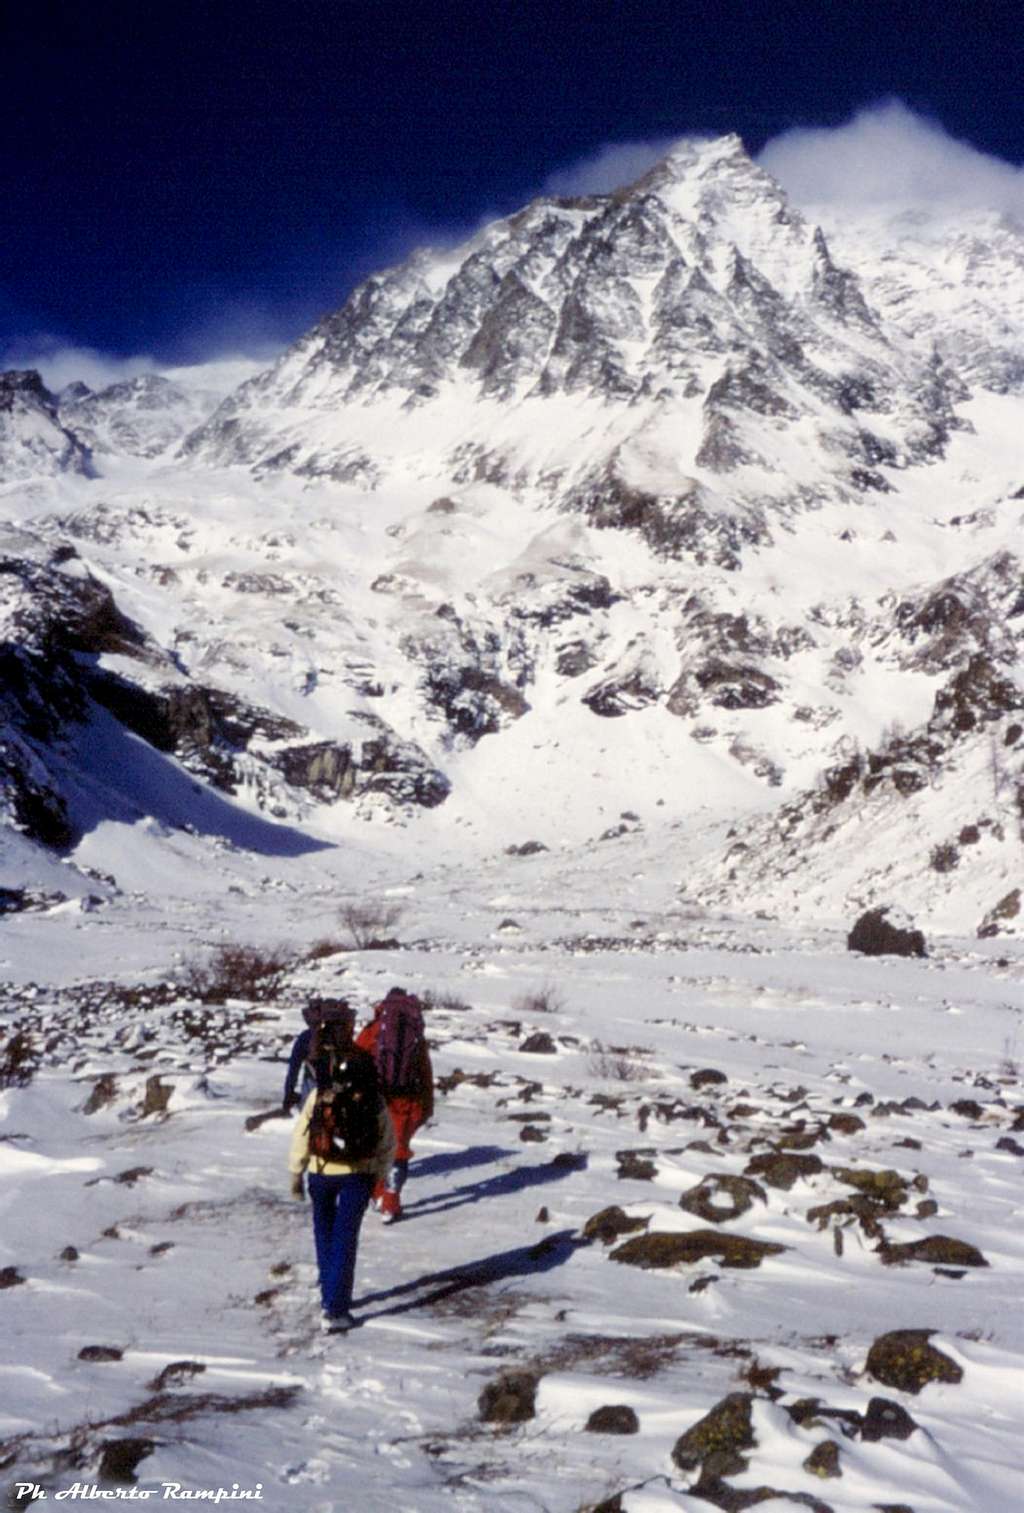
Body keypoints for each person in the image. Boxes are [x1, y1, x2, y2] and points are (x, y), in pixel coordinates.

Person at [288, 1007, 394, 1333]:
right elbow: (387, 1141)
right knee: (346, 1238)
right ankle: (335, 1309)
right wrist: (379, 1173)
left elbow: (302, 1134)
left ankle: (328, 1293)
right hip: (358, 1174)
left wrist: (296, 1172)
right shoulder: (373, 1097)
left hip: (320, 1170)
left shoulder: (320, 1094)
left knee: (324, 1230)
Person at [356, 986, 434, 1223]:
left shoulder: (373, 1031)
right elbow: (425, 1073)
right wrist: (427, 1106)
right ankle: (391, 1200)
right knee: (399, 1151)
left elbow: (357, 1061)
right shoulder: (416, 1036)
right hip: (408, 1102)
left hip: (377, 1100)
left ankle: (377, 1193)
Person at [282, 997, 350, 1114]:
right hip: (341, 1093)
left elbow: (294, 1068)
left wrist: (289, 1094)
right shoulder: (342, 1038)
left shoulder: (306, 1037)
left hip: (314, 1093)